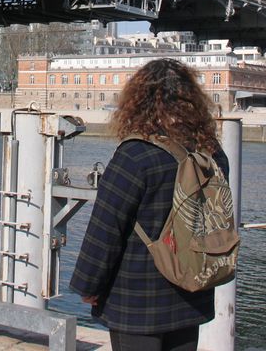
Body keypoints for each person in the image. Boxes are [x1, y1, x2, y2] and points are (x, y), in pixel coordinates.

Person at [70, 58, 228, 351]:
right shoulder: (212, 154)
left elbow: (105, 229)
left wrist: (88, 286)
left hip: (137, 300)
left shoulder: (136, 155)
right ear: (193, 101)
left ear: (138, 102)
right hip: (190, 292)